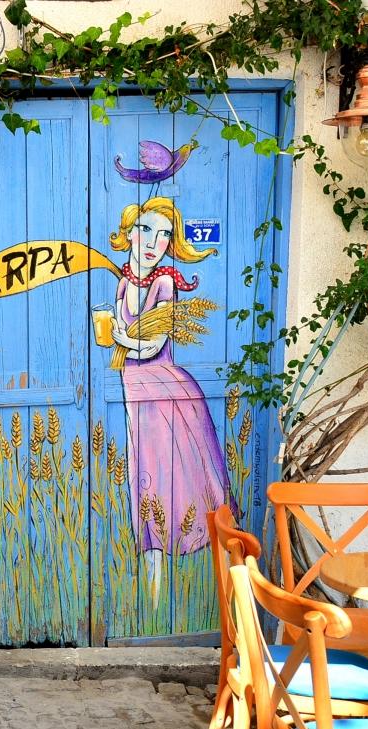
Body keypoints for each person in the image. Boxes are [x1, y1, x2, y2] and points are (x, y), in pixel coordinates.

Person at [106, 196, 235, 597]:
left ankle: (226, 593)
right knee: (144, 485)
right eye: (145, 229)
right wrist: (117, 337)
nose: (153, 242)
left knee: (175, 485)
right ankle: (153, 598)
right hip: (134, 393)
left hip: (166, 395)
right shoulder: (123, 283)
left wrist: (122, 338)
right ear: (128, 233)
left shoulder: (165, 284)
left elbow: (154, 344)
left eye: (164, 234)